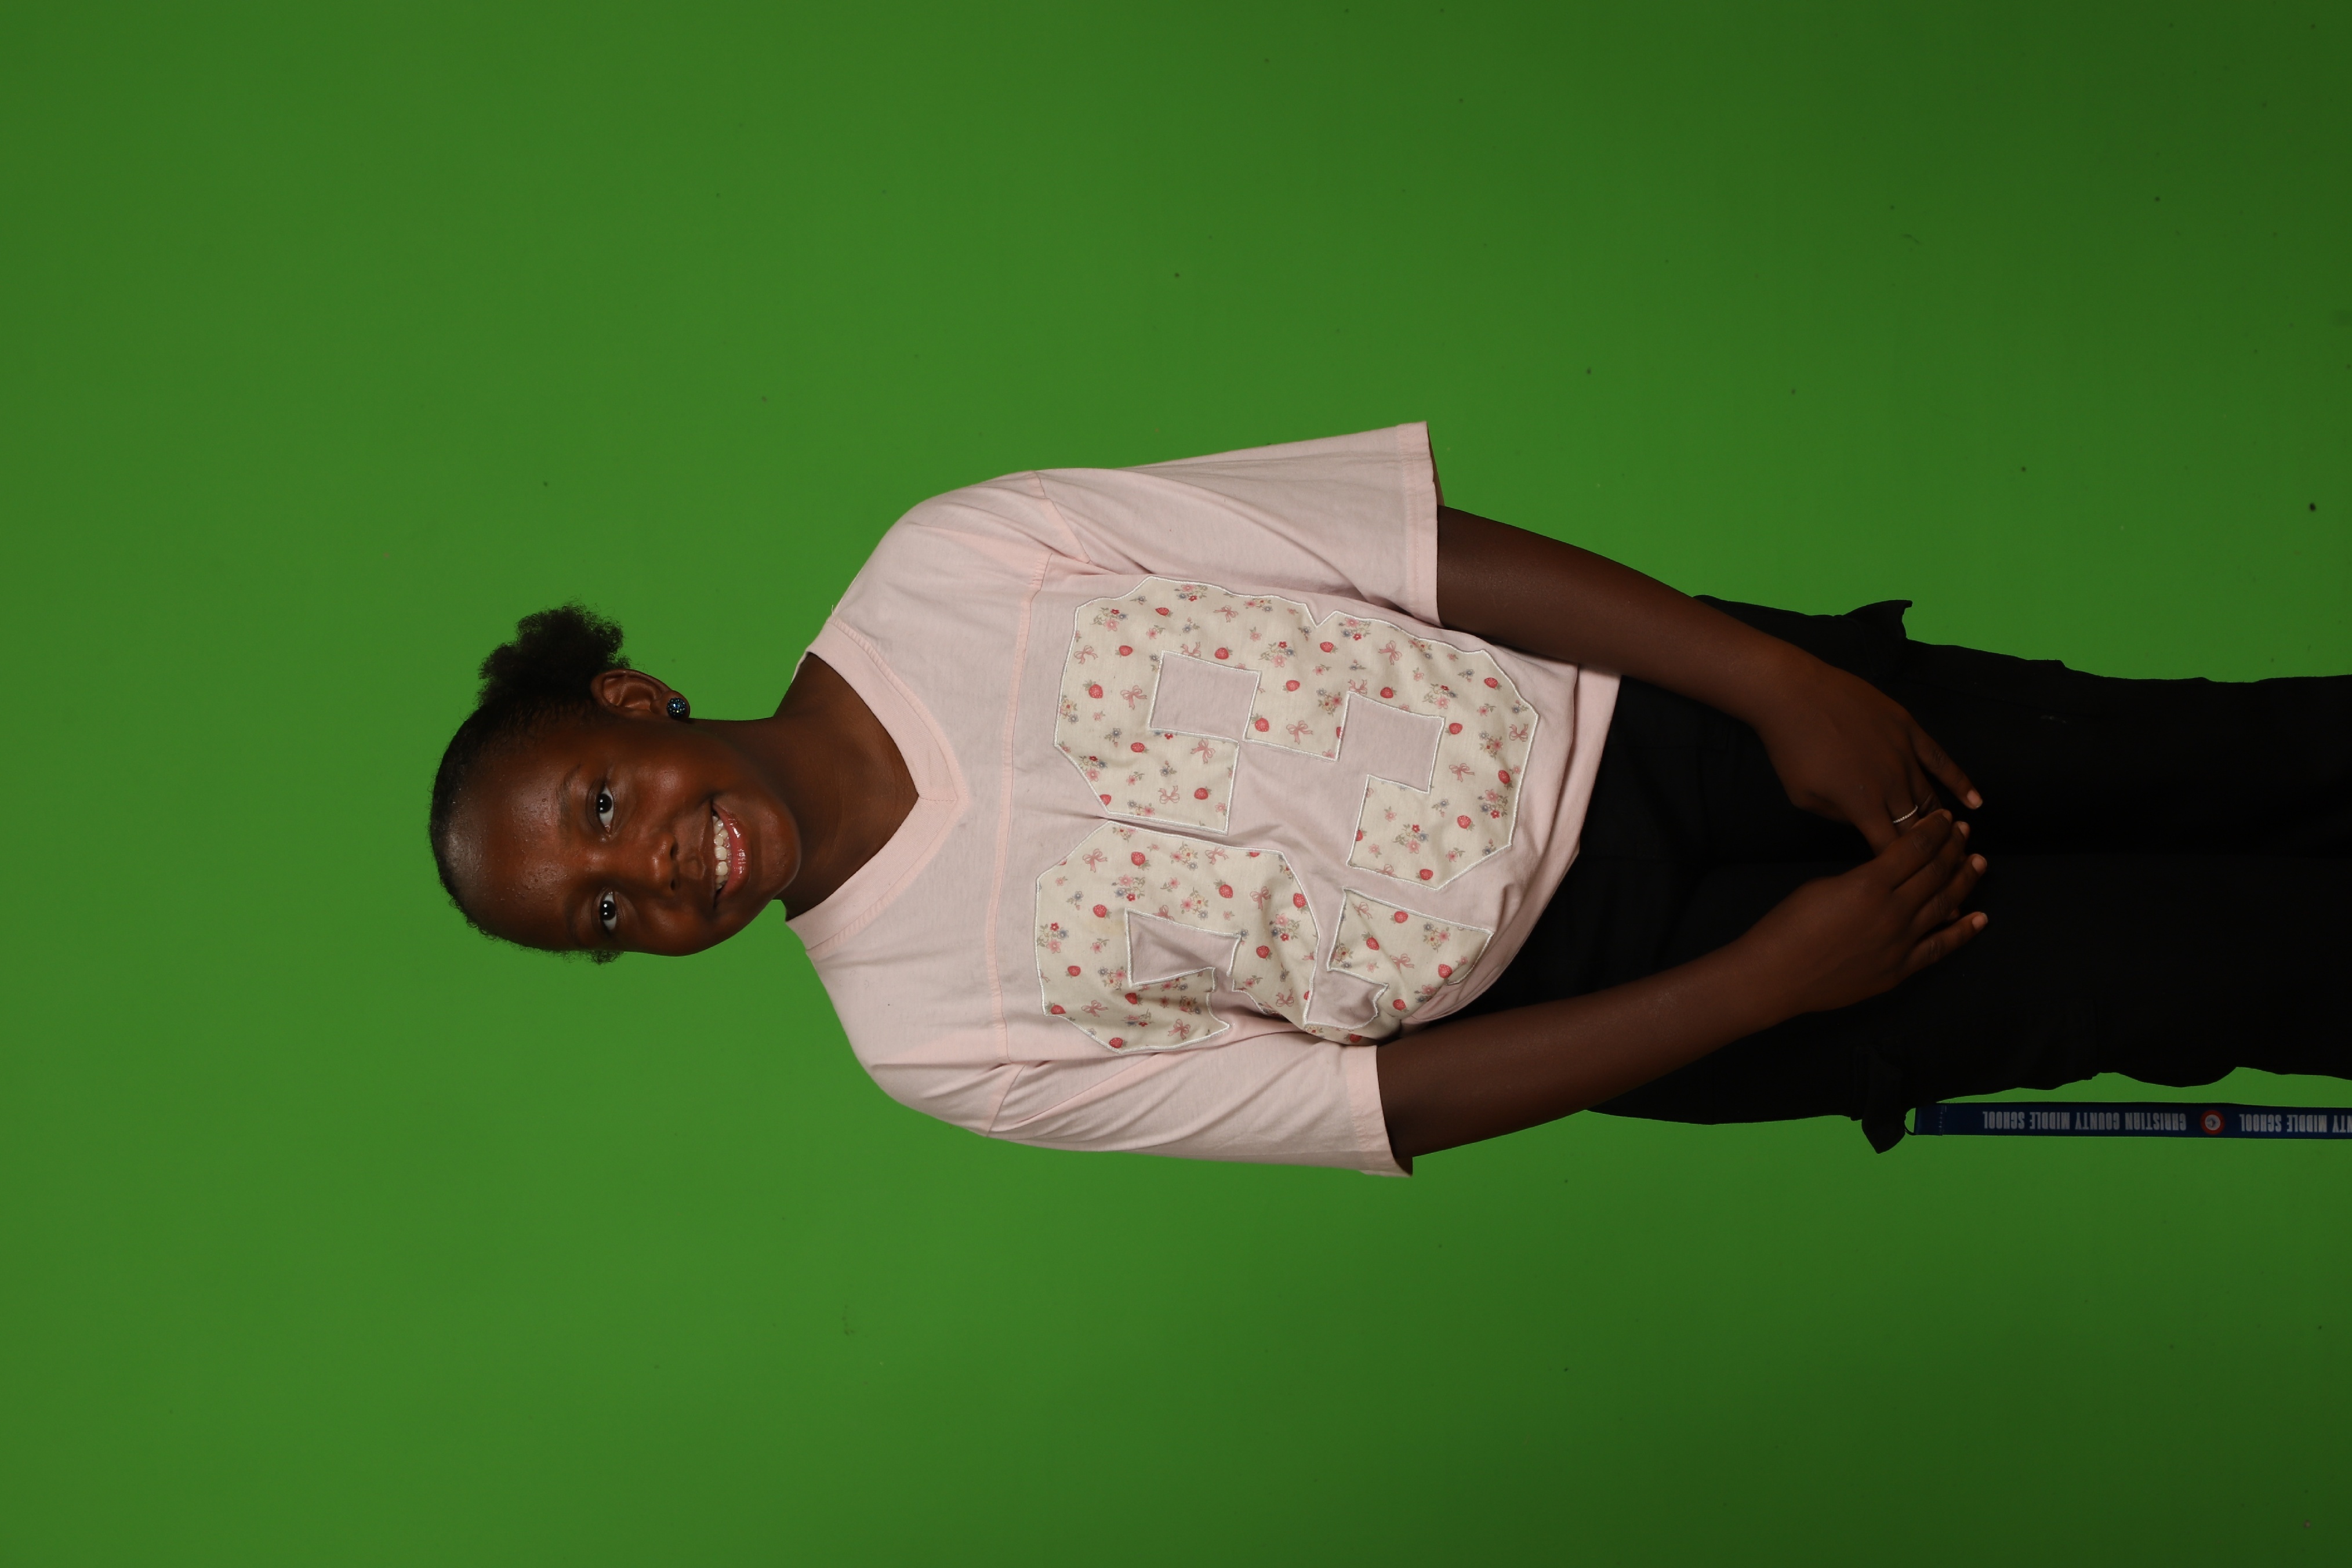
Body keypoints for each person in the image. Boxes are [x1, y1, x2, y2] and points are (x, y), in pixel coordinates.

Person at [427, 425, 2349, 1173]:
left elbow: (1401, 553)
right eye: (599, 913)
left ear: (637, 703)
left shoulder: (955, 563)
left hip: (1666, 711)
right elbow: (1366, 1103)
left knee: (2199, 755)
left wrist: (1771, 679)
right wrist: (1771, 985)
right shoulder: (928, 1037)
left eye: (600, 805)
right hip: (1635, 991)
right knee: (2202, 973)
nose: (649, 870)